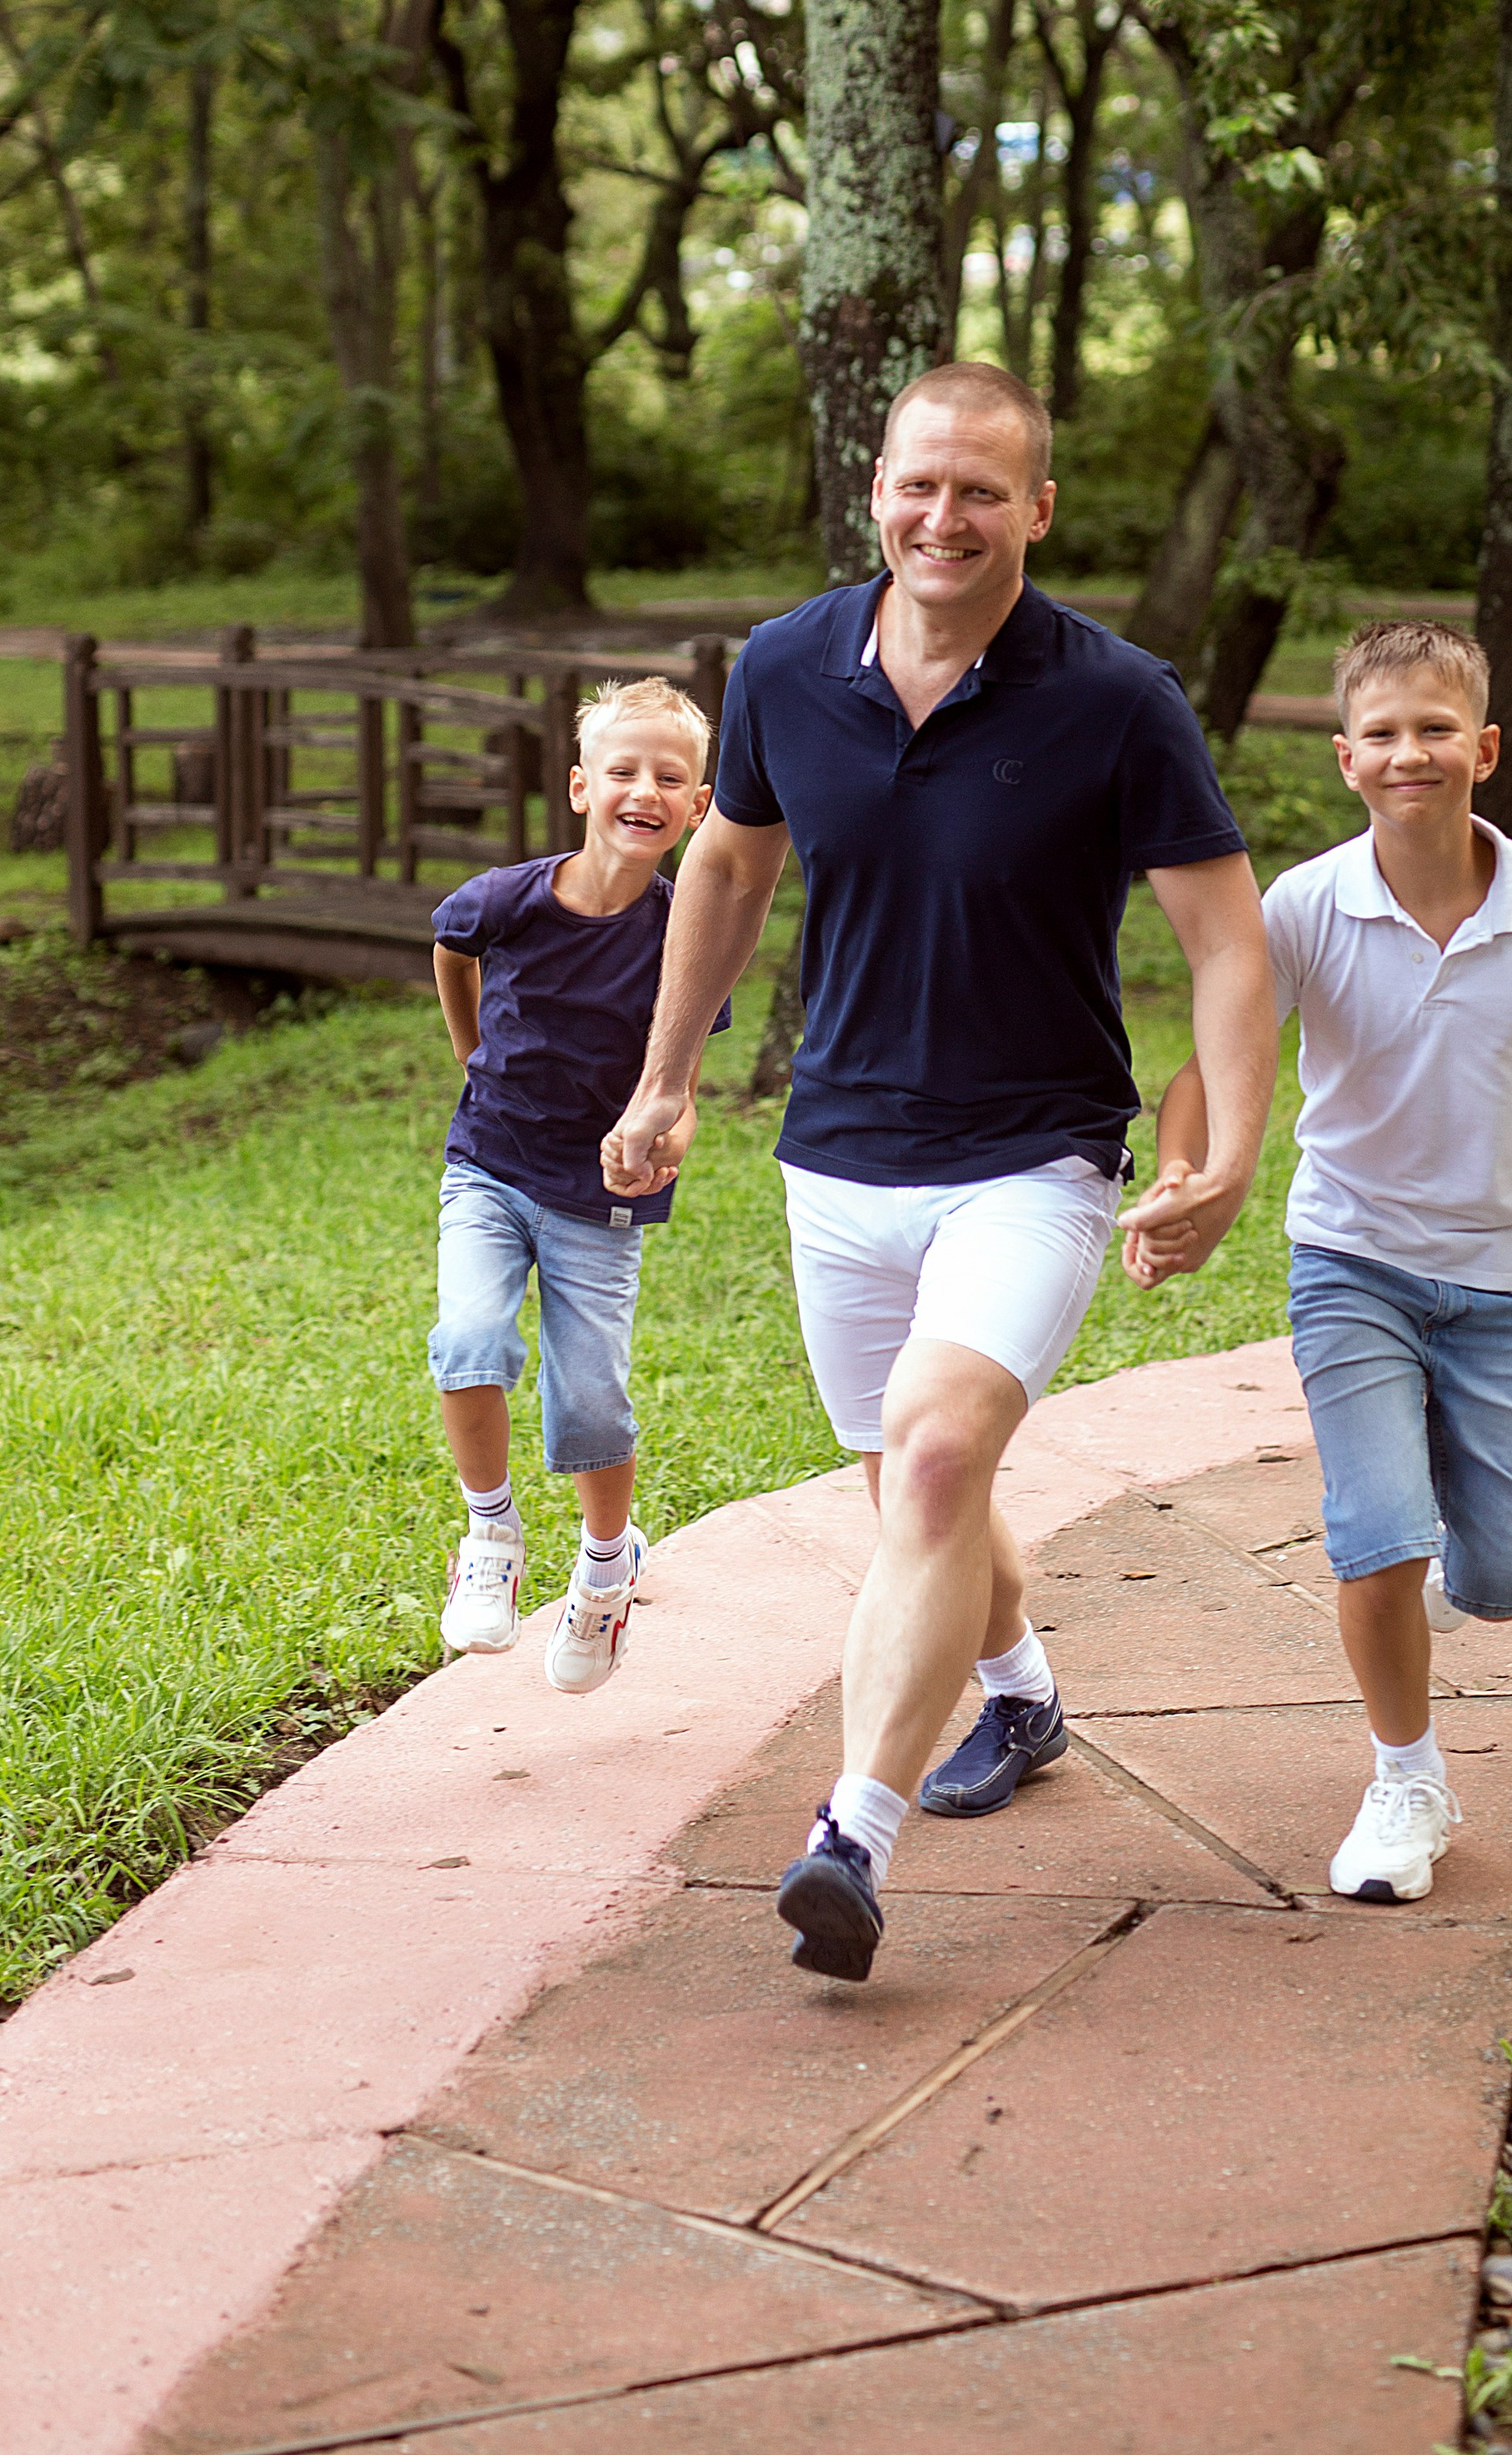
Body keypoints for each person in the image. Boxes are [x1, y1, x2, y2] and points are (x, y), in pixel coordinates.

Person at [606, 359, 1277, 1982]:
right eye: (919, 483)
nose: (943, 515)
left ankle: (850, 1837)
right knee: (917, 1488)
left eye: (982, 489)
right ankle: (1023, 1694)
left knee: (927, 1469)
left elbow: (1226, 937)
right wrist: (668, 1076)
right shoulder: (782, 668)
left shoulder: (1115, 698)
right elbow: (728, 860)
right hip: (835, 1156)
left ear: (1035, 509)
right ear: (875, 493)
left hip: (1029, 1158)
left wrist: (1233, 1153)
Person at [1127, 616, 1512, 1904]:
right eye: (1385, 734)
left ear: (1487, 747)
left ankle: (1453, 1570)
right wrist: (1185, 1171)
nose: (1412, 753)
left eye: (1436, 728)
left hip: (1506, 1289)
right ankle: (1408, 1780)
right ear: (1346, 758)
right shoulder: (1303, 905)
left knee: (1505, 1574)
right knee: (1376, 1535)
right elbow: (1211, 1062)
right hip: (1349, 1262)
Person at [427, 676, 720, 1695]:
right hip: (492, 1165)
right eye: (624, 770)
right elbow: (451, 949)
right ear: (580, 786)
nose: (645, 789)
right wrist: (470, 1050)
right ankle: (491, 1536)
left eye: (670, 778)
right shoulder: (510, 895)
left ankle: (605, 1569)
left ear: (696, 806)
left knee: (589, 1398)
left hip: (601, 1200)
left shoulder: (688, 933)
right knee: (469, 1340)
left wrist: (669, 1133)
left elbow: (679, 1080)